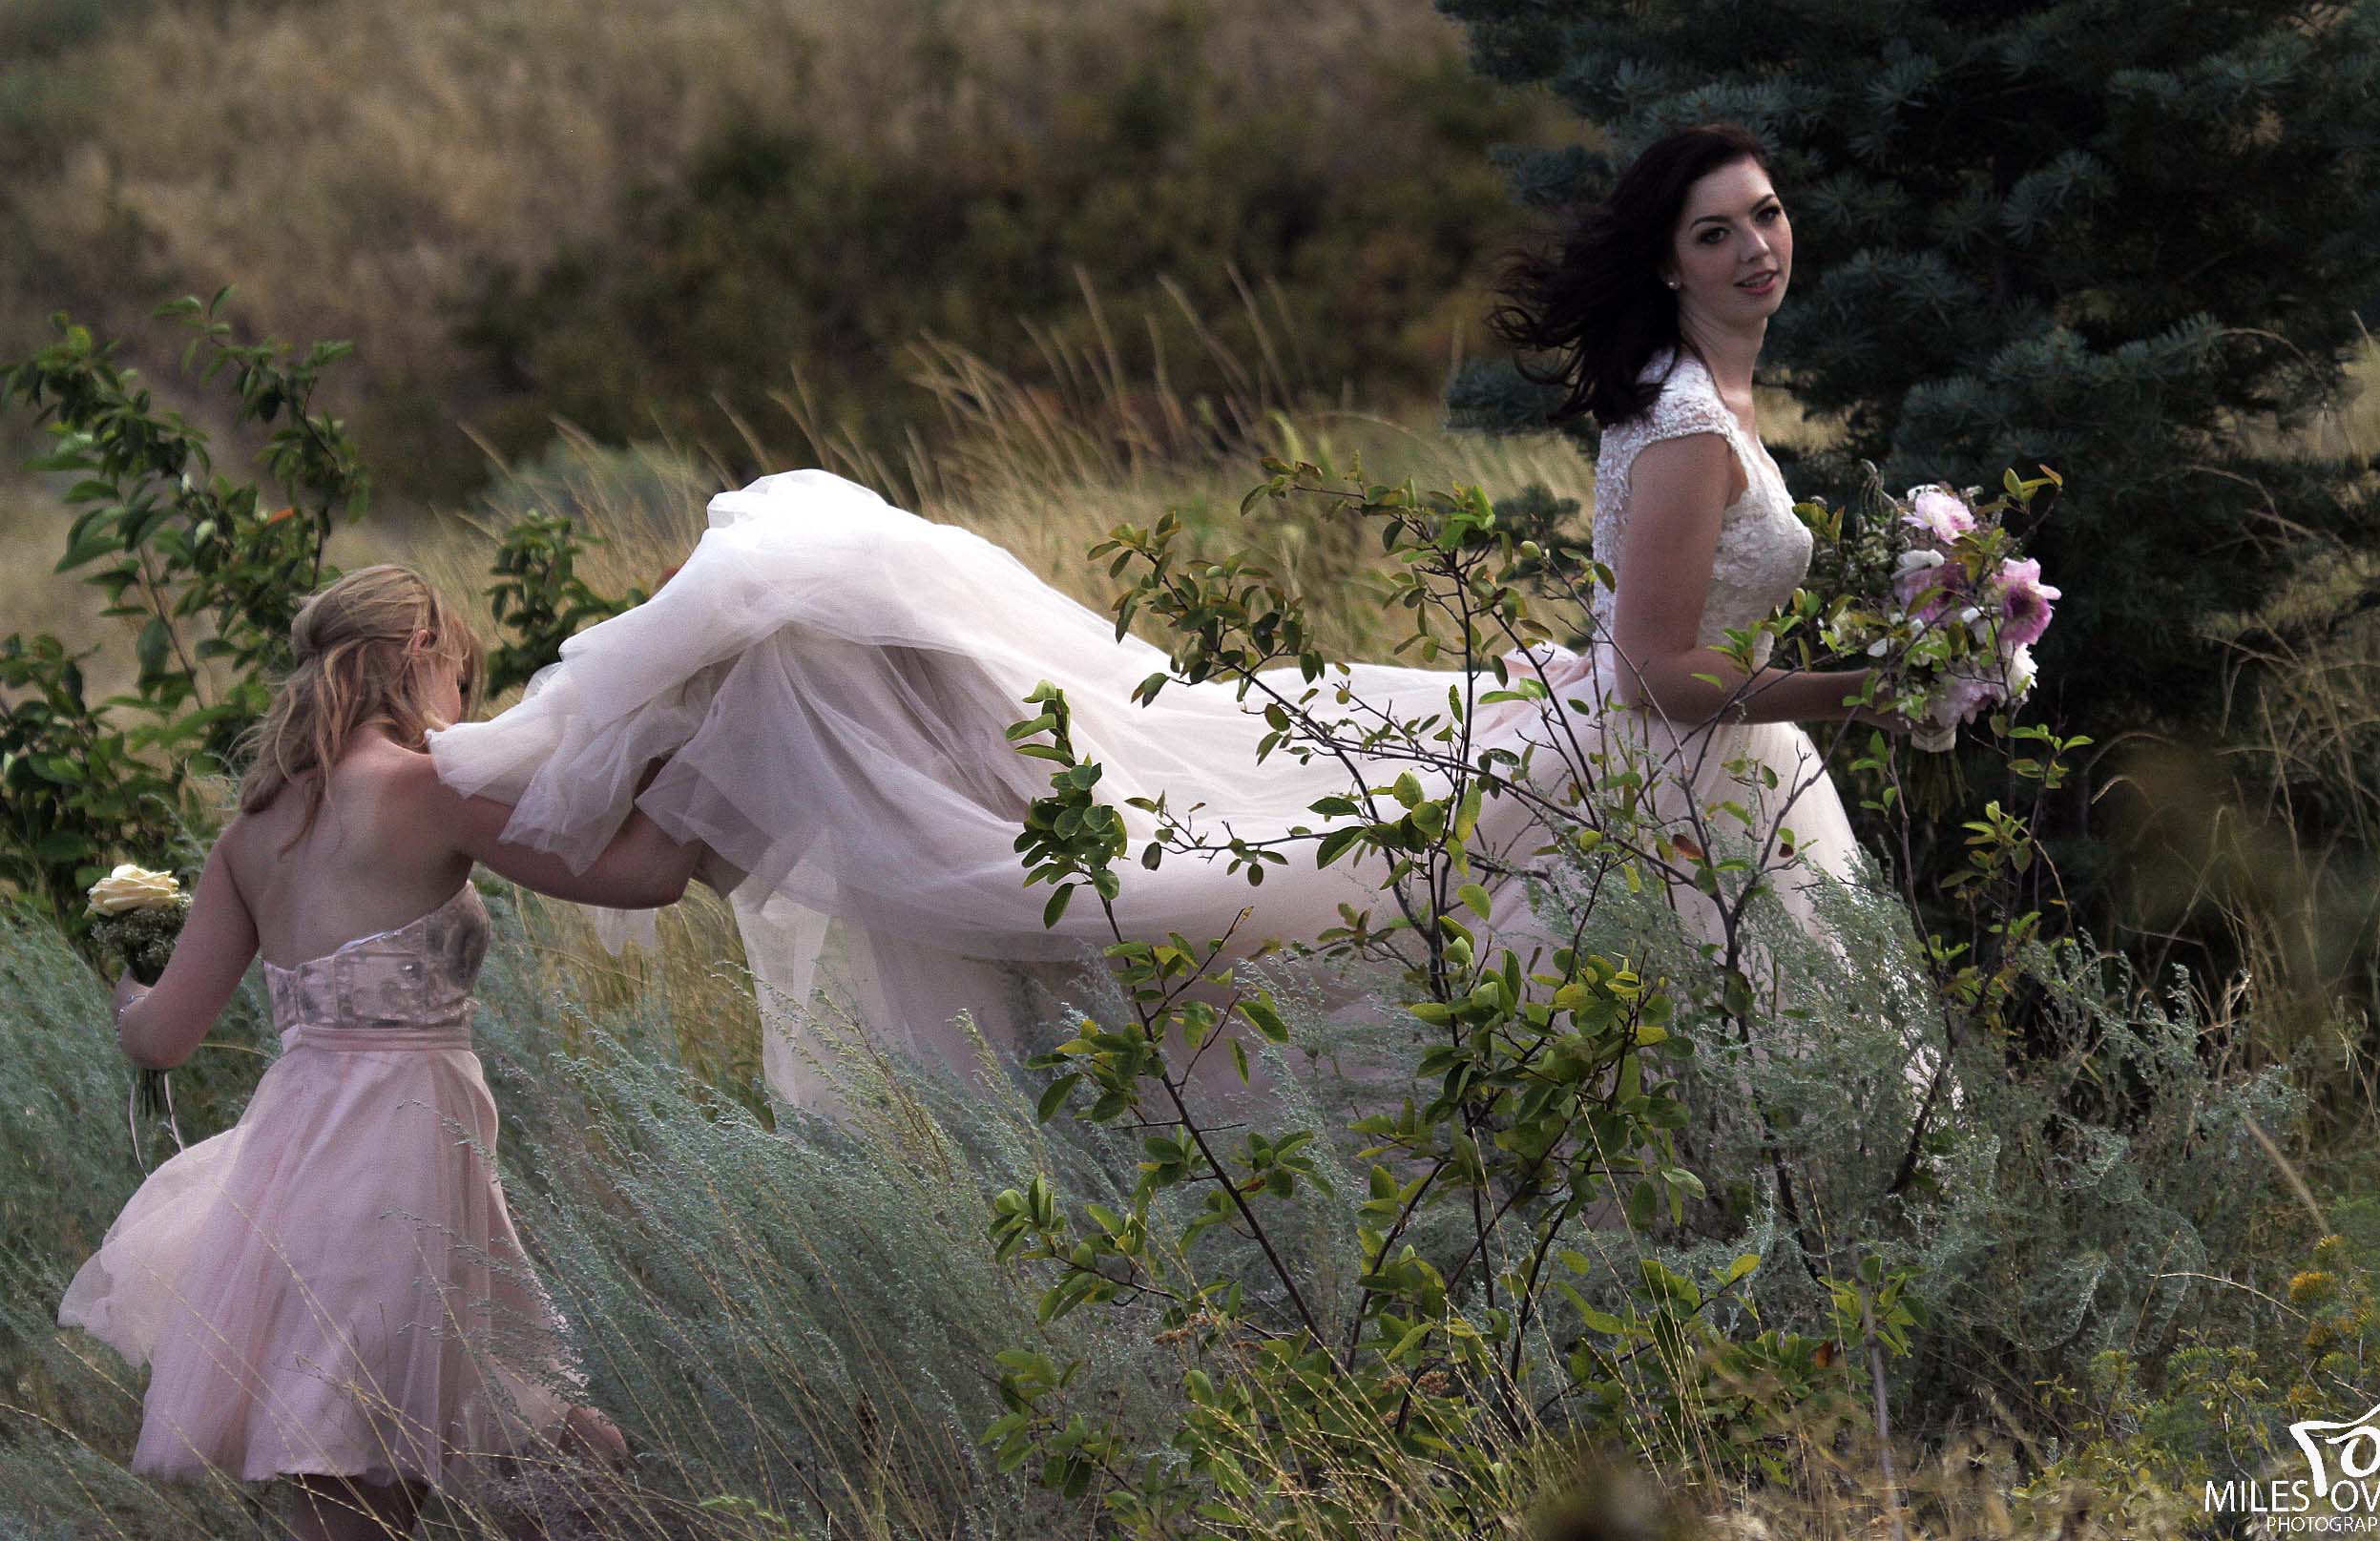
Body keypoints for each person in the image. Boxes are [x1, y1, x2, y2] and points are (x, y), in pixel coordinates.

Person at [422, 123, 1932, 1114]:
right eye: (1723, 230)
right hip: (1659, 765)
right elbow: (1669, 674)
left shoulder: (1713, 401)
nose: (1761, 247)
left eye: (1771, 216)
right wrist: (1862, 687)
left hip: (1677, 763)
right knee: (1276, 885)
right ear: (1673, 262)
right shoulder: (1684, 424)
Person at [57, 565, 710, 1541]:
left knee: (517, 1458)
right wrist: (706, 726)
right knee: (411, 1481)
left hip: (294, 1177)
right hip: (395, 1173)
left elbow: (164, 1036)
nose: (463, 709)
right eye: (461, 678)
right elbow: (649, 873)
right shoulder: (427, 789)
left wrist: (130, 988)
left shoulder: (252, 833)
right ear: (417, 655)